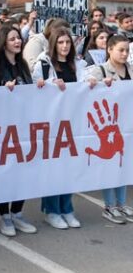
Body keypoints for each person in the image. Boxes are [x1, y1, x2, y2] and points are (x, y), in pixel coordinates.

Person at [31, 26, 93, 229]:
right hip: (51, 123)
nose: (65, 46)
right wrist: (47, 84)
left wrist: (94, 82)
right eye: (60, 42)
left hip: (74, 122)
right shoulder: (43, 64)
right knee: (53, 168)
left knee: (69, 167)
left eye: (67, 42)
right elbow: (34, 88)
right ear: (53, 44)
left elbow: (87, 86)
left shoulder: (79, 64)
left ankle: (66, 208)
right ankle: (52, 210)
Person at [0, 25, 38, 237]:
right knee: (5, 172)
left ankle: (17, 212)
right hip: (2, 126)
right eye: (12, 39)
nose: (17, 42)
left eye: (18, 38)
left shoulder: (23, 65)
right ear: (3, 42)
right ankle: (4, 216)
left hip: (24, 125)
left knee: (23, 171)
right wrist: (1, 88)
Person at [87, 35, 133, 224]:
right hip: (108, 127)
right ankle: (109, 206)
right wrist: (95, 84)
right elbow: (85, 89)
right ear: (109, 49)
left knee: (123, 163)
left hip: (127, 125)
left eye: (127, 51)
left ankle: (121, 203)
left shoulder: (131, 69)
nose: (124, 54)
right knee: (109, 164)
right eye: (120, 50)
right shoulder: (100, 70)